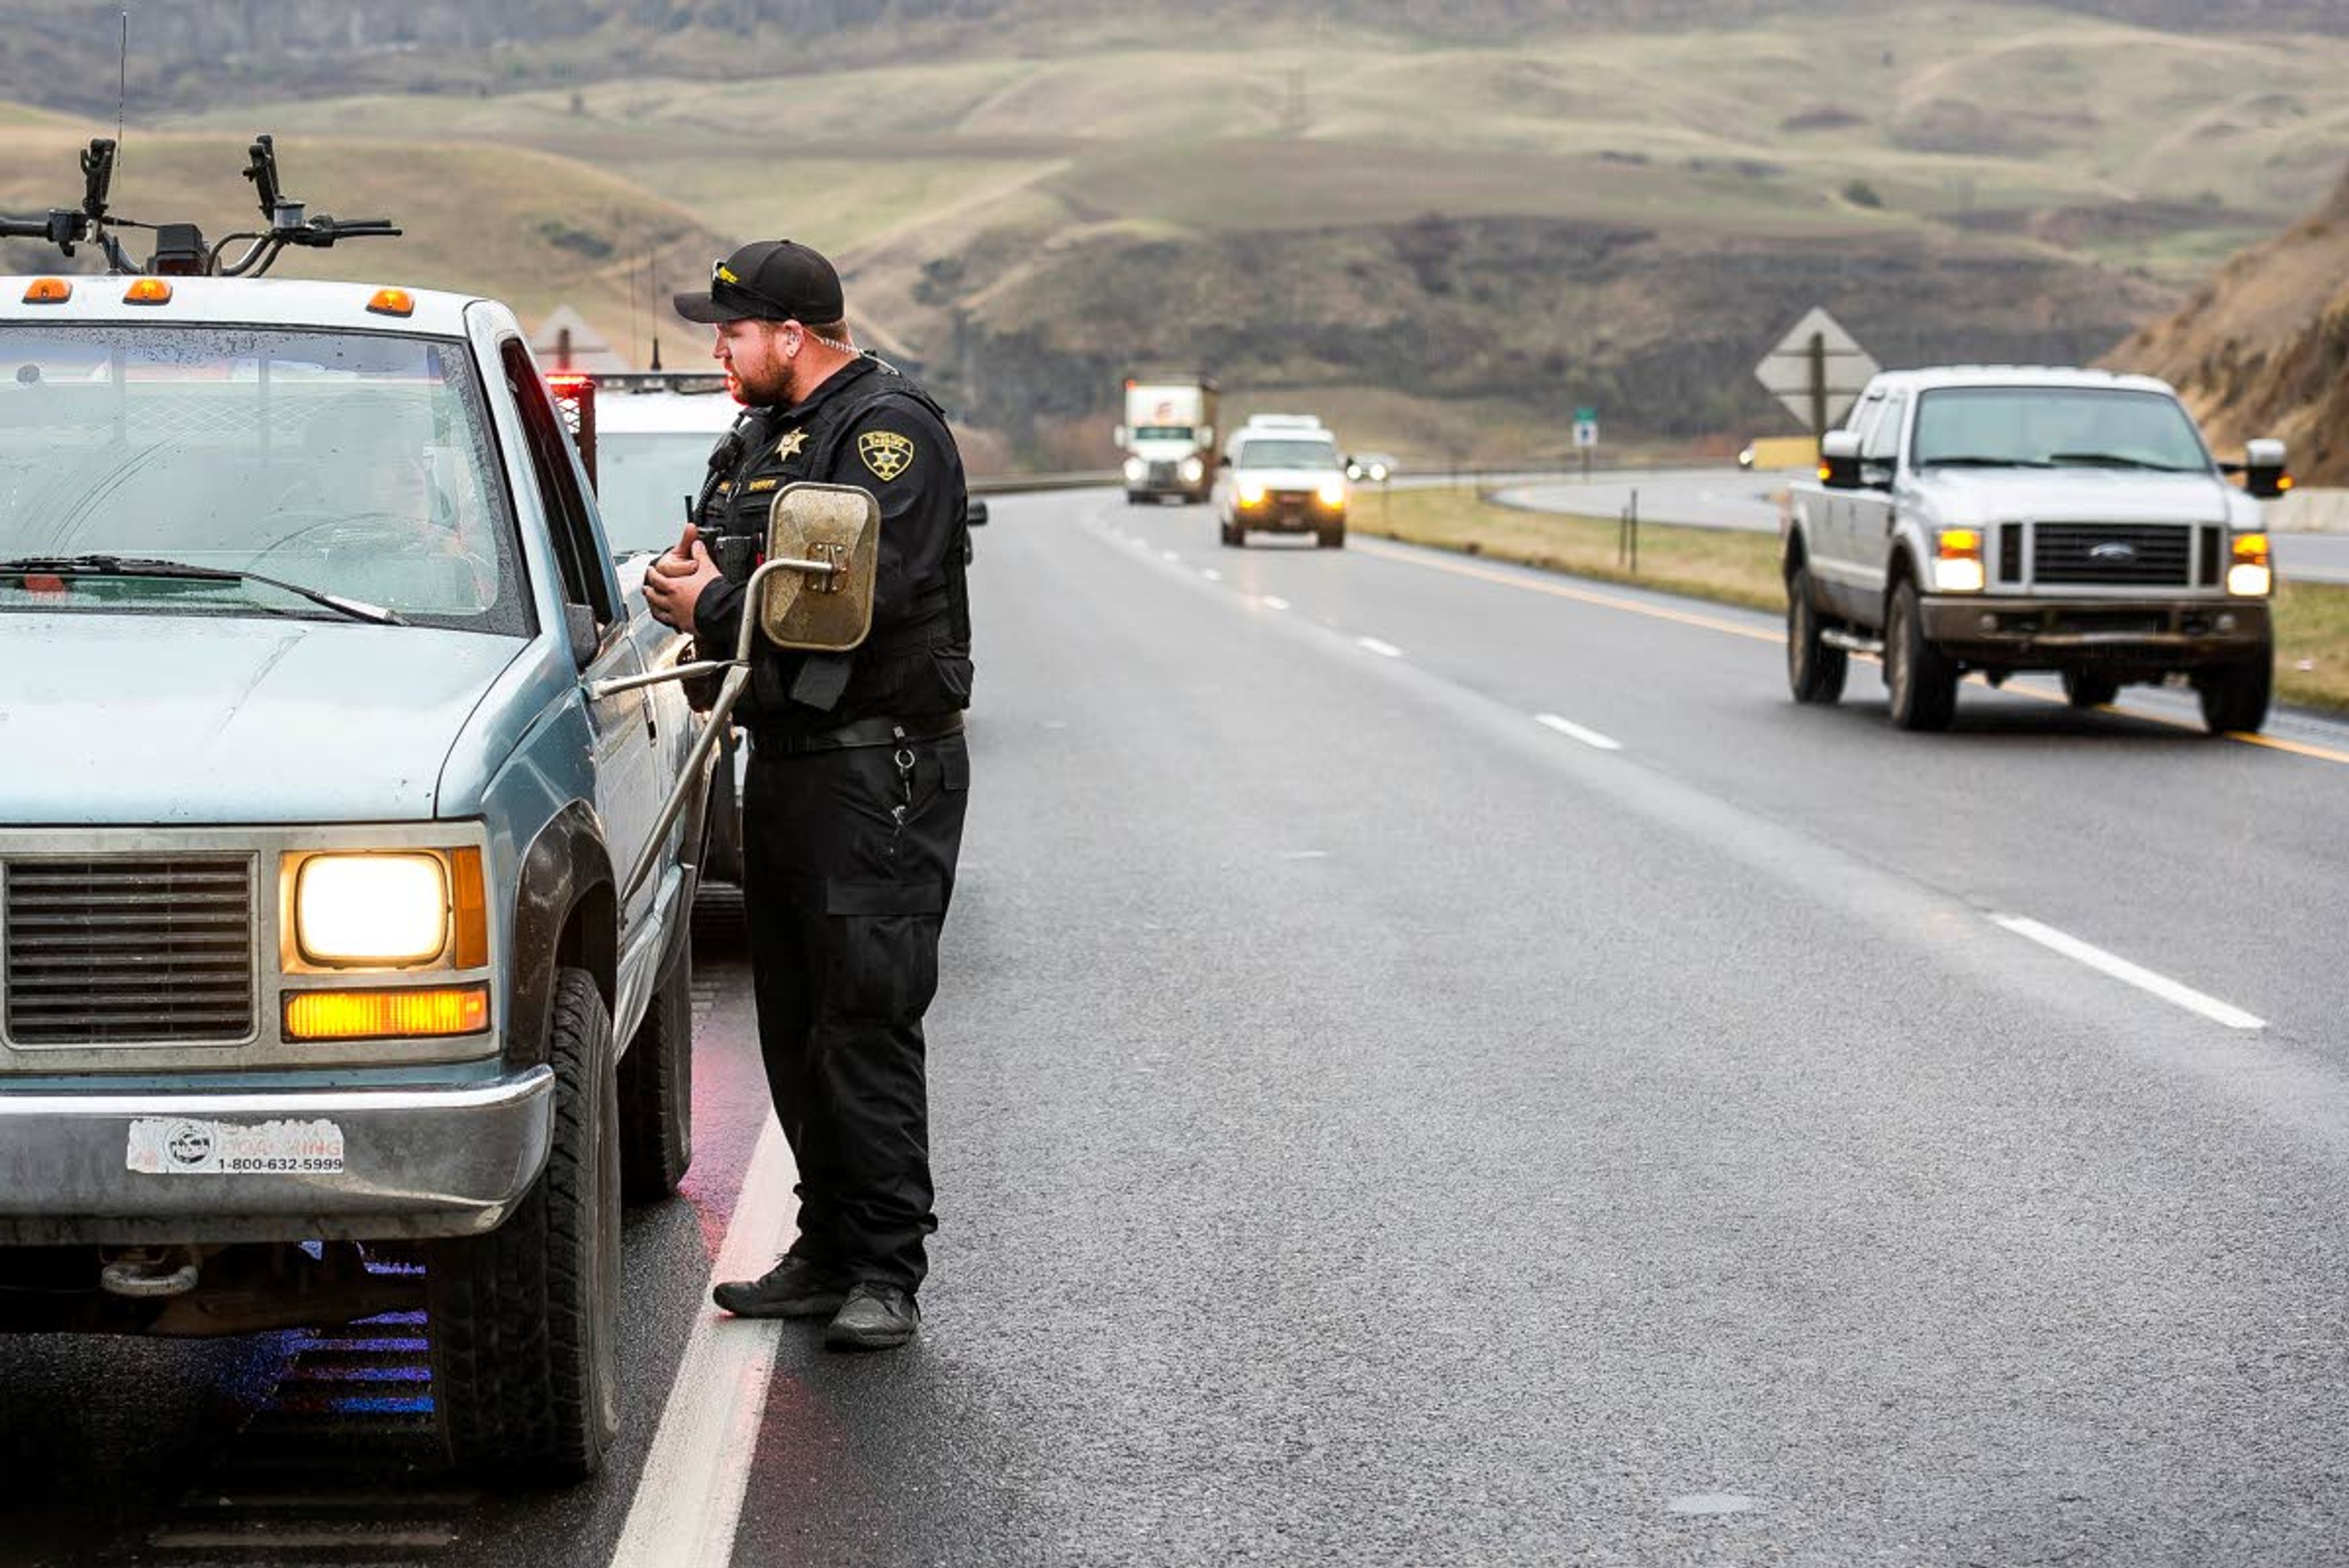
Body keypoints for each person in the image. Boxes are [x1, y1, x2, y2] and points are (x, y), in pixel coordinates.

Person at [642, 239, 972, 1352]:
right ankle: (826, 1247)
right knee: (793, 1019)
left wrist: (715, 599)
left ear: (793, 335)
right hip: (784, 759)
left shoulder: (888, 435)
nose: (721, 351)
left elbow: (843, 604)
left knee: (863, 1018)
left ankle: (887, 1267)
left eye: (733, 332)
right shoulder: (759, 441)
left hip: (877, 769)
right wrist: (683, 587)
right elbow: (736, 580)